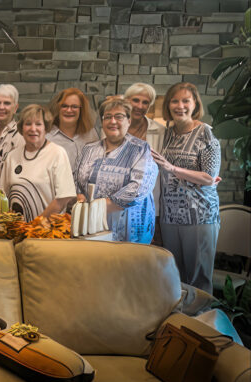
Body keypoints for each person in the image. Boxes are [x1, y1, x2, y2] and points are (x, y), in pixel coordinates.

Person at [151, 82, 221, 294]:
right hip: (170, 217)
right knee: (175, 277)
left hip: (199, 216)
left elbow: (209, 177)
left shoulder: (205, 134)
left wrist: (171, 168)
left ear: (195, 104)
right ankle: (178, 324)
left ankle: (199, 324)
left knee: (198, 279)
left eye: (185, 101)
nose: (179, 106)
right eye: (174, 101)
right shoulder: (168, 133)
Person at [74, 96, 157, 243]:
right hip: (92, 229)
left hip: (128, 230)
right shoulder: (89, 149)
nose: (113, 121)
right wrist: (80, 197)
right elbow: (76, 180)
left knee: (126, 265)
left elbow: (139, 188)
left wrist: (97, 208)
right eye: (108, 117)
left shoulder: (141, 149)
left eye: (119, 117)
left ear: (129, 121)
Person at [0, 104, 76, 221]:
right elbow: (2, 195)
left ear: (46, 127)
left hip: (46, 232)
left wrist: (35, 225)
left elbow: (63, 198)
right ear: (21, 128)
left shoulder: (57, 153)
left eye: (38, 124)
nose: (33, 129)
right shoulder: (12, 156)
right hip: (16, 232)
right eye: (28, 124)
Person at [125, 82, 166, 244]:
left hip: (150, 201)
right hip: (117, 201)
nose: (140, 106)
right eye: (135, 100)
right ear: (126, 100)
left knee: (147, 249)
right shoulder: (111, 127)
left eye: (145, 102)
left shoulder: (160, 131)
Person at [0, 84, 23, 202]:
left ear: (15, 108)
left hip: (7, 206)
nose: (1, 107)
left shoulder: (20, 135)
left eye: (7, 103)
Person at [47, 87, 99, 171]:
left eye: (74, 106)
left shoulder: (91, 133)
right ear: (57, 108)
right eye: (64, 106)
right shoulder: (47, 136)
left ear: (81, 110)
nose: (69, 110)